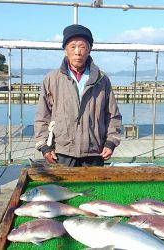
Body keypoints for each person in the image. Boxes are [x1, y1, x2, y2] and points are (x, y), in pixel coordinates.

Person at [34, 24, 122, 167]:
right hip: (61, 151)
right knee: (62, 190)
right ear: (65, 50)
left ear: (89, 50)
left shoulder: (102, 79)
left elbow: (113, 115)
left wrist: (111, 142)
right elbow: (42, 116)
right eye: (72, 46)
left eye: (82, 46)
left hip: (94, 151)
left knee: (93, 189)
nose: (77, 52)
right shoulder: (52, 79)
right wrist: (44, 146)